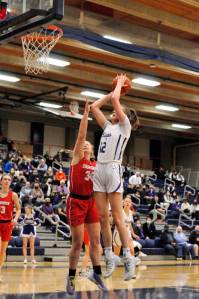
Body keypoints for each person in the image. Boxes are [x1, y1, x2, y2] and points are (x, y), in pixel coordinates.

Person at [91, 73, 139, 281]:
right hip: (99, 170)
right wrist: (111, 92)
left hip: (113, 170)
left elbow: (116, 101)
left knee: (118, 217)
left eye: (117, 110)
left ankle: (128, 258)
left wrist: (119, 86)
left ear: (123, 115)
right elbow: (93, 107)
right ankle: (110, 256)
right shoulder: (108, 127)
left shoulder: (124, 127)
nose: (113, 111)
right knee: (103, 217)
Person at [66, 100, 106, 295]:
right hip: (76, 201)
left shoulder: (97, 164)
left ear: (91, 150)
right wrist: (86, 113)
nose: (84, 146)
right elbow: (82, 135)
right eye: (83, 145)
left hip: (91, 202)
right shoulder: (76, 158)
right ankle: (71, 277)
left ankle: (97, 274)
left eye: (87, 145)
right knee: (77, 243)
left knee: (96, 242)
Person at [0, 174, 21, 282]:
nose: (7, 181)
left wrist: (16, 218)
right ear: (1, 181)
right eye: (5, 179)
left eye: (9, 179)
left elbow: (18, 209)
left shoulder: (13, 195)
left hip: (7, 224)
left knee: (2, 251)